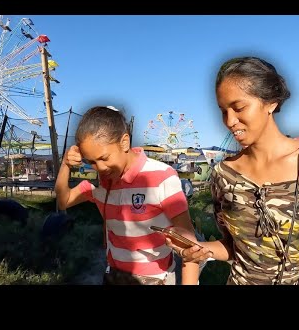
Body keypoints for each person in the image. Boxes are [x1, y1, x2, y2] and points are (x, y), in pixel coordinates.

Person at [166, 56, 299, 285]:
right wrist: (202, 249)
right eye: (223, 111)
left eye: (238, 108)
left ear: (271, 103)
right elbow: (234, 248)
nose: (230, 121)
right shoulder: (223, 174)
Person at [55, 106, 199, 285]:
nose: (100, 168)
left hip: (155, 279)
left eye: (104, 158)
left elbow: (189, 243)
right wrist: (65, 165)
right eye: (91, 161)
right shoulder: (101, 184)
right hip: (113, 275)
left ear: (124, 142)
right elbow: (63, 201)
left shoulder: (161, 176)